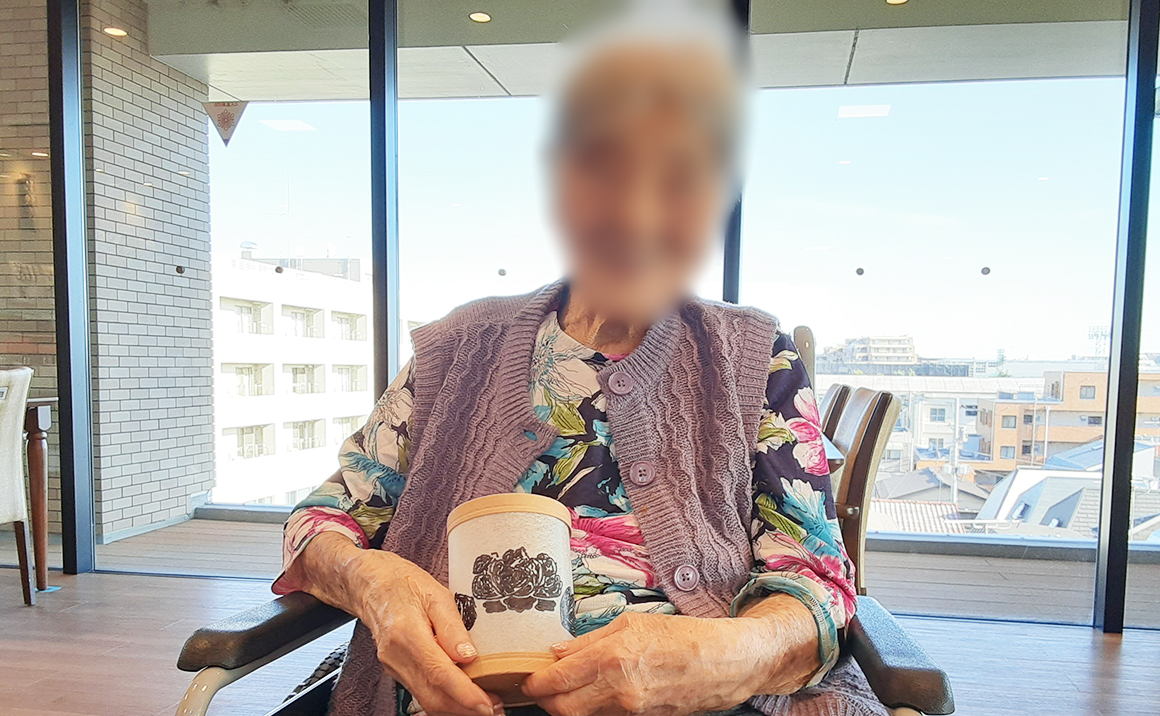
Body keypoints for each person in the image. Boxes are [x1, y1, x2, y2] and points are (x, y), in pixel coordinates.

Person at [275, 5, 886, 716]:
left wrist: (727, 656)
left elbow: (817, 580)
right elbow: (321, 523)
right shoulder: (457, 347)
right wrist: (375, 586)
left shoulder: (756, 358)